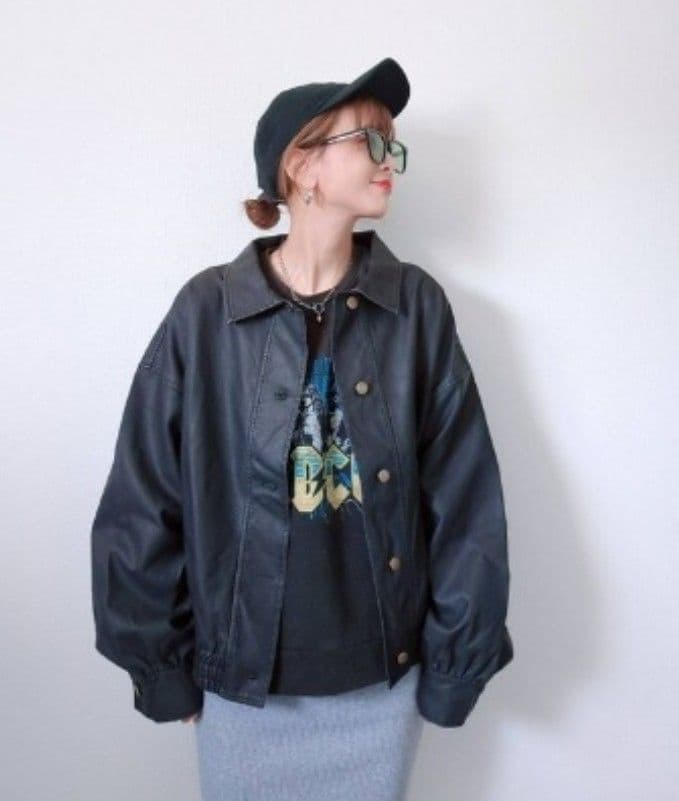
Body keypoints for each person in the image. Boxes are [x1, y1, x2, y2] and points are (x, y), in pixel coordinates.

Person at [90, 56, 513, 801]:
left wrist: (454, 667)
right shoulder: (207, 313)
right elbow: (142, 496)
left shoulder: (414, 308)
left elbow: (464, 498)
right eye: (371, 141)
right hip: (241, 682)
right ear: (302, 165)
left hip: (381, 681)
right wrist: (161, 667)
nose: (390, 161)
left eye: (393, 145)